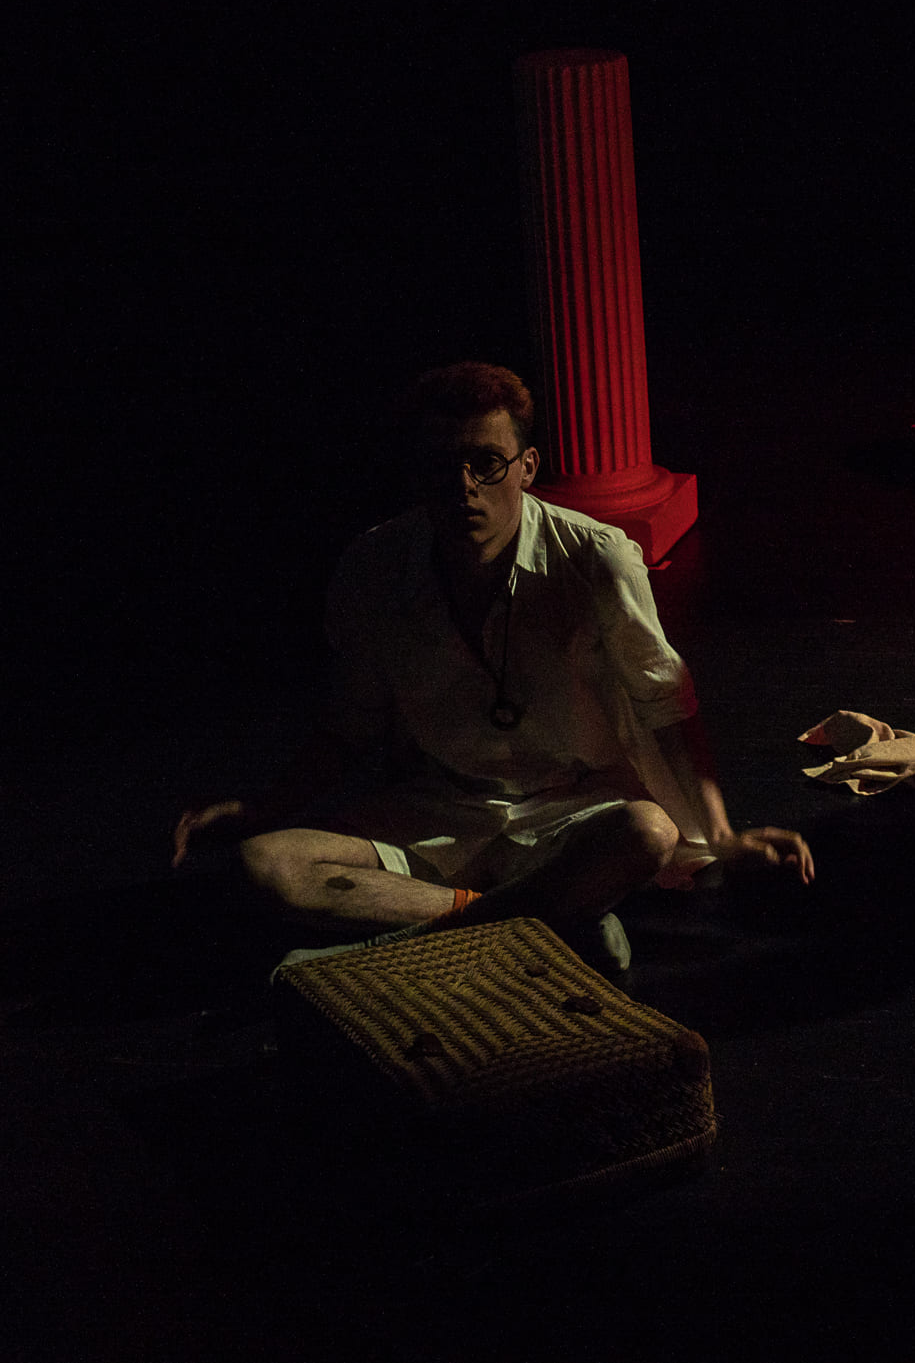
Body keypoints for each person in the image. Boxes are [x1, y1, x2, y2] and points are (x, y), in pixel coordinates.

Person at [172, 362, 812, 972]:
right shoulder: (373, 568)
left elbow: (667, 704)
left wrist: (722, 836)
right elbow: (351, 725)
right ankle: (548, 920)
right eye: (442, 465)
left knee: (647, 831)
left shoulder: (595, 558)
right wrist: (265, 807)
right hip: (442, 811)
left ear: (527, 466)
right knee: (267, 864)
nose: (465, 487)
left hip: (574, 807)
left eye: (487, 463)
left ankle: (438, 931)